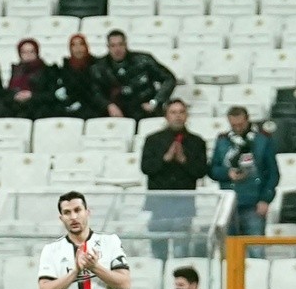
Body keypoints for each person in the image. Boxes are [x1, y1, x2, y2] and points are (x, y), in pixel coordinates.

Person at [141, 99, 209, 259]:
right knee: (158, 249)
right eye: (173, 112)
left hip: (184, 203)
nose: (177, 116)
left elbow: (201, 171)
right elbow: (146, 168)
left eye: (181, 112)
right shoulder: (153, 140)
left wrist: (183, 160)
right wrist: (166, 158)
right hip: (159, 203)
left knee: (181, 249)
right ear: (166, 116)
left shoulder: (196, 141)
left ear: (186, 116)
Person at [209, 106, 280, 236]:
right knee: (228, 250)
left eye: (240, 124)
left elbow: (273, 173)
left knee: (255, 250)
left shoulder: (263, 140)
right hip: (228, 203)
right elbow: (212, 170)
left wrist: (265, 199)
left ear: (247, 120)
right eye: (233, 125)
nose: (237, 128)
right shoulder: (222, 141)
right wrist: (227, 173)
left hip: (254, 203)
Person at [91, 29, 177, 120]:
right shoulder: (99, 67)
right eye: (113, 46)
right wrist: (108, 105)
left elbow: (169, 79)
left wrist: (155, 102)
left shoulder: (144, 60)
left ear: (126, 45)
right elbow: (95, 92)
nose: (117, 49)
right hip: (116, 112)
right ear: (108, 47)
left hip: (145, 109)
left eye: (120, 44)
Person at [0, 38, 57, 120]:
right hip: (16, 108)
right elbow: (8, 93)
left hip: (38, 109)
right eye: (24, 52)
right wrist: (15, 96)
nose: (28, 55)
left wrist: (31, 96)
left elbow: (50, 95)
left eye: (31, 51)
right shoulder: (16, 71)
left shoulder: (47, 71)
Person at [55, 33, 104, 119]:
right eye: (74, 45)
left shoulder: (96, 66)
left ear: (86, 46)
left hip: (92, 107)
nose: (78, 49)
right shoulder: (65, 68)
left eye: (81, 44)